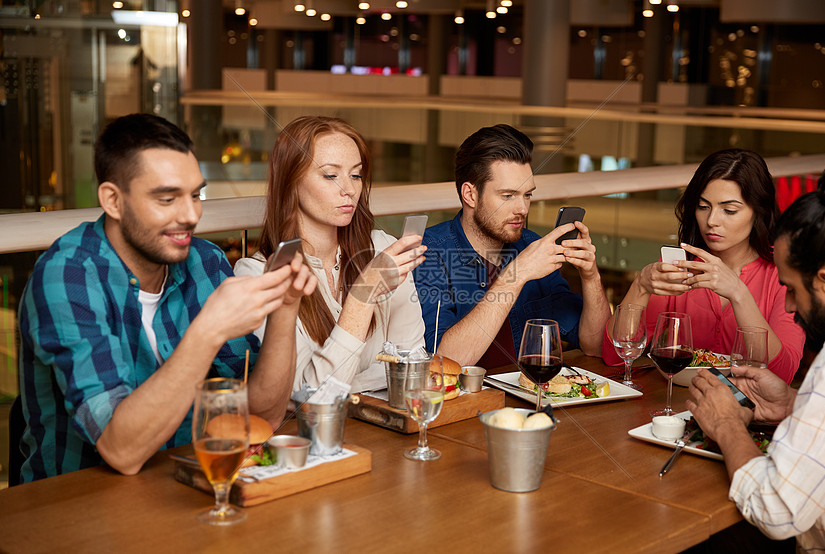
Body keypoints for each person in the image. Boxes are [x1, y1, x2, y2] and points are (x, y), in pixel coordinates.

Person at [17, 114, 317, 483]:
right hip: (78, 506)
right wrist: (208, 330)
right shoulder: (66, 277)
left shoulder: (204, 261)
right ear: (113, 200)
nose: (191, 215)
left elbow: (262, 416)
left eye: (195, 195)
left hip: (182, 486)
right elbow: (121, 451)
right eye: (167, 198)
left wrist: (286, 307)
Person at [687, 144, 825, 554]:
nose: (786, 305)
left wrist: (727, 424)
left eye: (792, 289)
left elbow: (775, 511)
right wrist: (794, 404)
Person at [234, 116, 426, 393]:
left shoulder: (382, 248)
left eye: (356, 174)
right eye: (330, 175)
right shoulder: (256, 275)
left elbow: (411, 367)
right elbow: (307, 397)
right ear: (291, 181)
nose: (348, 189)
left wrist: (343, 381)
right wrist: (363, 295)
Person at [411, 124, 611, 370]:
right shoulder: (428, 253)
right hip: (462, 405)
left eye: (527, 195)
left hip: (529, 402)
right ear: (470, 195)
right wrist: (517, 275)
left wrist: (590, 276)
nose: (523, 209)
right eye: (508, 196)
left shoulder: (530, 244)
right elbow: (442, 364)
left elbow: (595, 344)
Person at [601, 149, 804, 384]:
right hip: (677, 406)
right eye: (703, 206)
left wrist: (739, 293)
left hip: (750, 414)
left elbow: (782, 376)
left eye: (729, 210)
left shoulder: (784, 275)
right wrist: (641, 286)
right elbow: (615, 356)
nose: (711, 221)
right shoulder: (678, 267)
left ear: (758, 211)